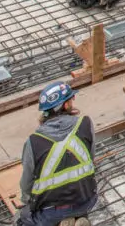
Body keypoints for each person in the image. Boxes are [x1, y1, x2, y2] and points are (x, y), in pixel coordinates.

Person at [16, 82, 97, 226]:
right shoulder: (85, 125)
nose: (73, 102)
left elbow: (26, 184)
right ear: (65, 106)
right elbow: (91, 159)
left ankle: (61, 221)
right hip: (86, 200)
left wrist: (28, 204)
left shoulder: (33, 142)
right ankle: (78, 218)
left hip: (51, 211)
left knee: (21, 218)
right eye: (71, 99)